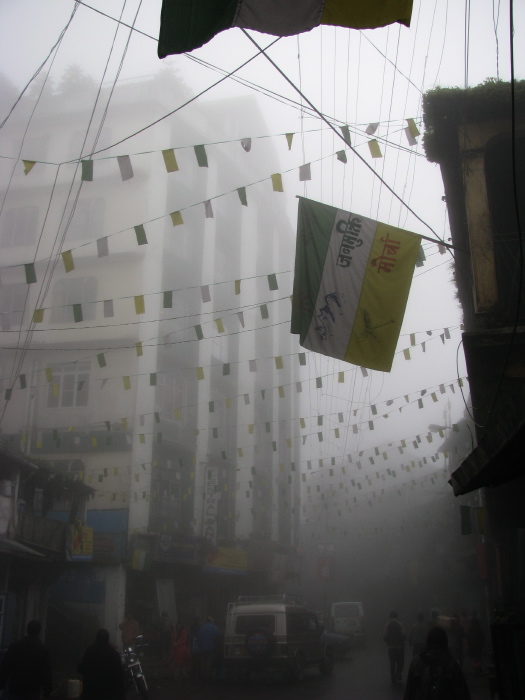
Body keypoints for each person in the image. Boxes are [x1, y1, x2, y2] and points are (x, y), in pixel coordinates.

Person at [404, 626, 471, 700]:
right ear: (445, 641)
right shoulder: (451, 662)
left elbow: (410, 691)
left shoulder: (417, 661)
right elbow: (462, 692)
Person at [0, 619, 53, 700]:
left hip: (15, 688)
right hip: (33, 690)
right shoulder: (43, 650)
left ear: (27, 630)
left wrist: (2, 684)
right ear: (39, 632)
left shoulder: (15, 646)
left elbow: (5, 666)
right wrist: (47, 691)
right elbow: (46, 672)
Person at [78, 628, 126, 700]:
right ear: (108, 639)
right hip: (109, 694)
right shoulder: (113, 654)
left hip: (91, 692)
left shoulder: (90, 652)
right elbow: (120, 675)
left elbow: (81, 669)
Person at [196, 616, 221, 681]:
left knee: (203, 664)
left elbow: (198, 637)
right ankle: (208, 678)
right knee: (209, 664)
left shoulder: (201, 628)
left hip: (202, 649)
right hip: (211, 649)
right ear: (212, 621)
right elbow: (218, 637)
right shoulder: (215, 628)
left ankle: (202, 678)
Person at [384, 611, 406, 684]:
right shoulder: (400, 624)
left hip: (391, 647)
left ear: (390, 617)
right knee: (400, 662)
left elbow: (385, 635)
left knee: (392, 663)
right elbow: (403, 635)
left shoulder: (388, 625)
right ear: (397, 616)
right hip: (399, 647)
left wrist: (388, 642)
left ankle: (393, 678)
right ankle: (398, 674)